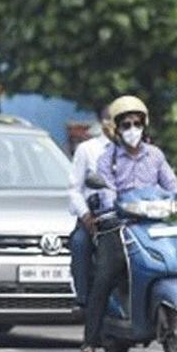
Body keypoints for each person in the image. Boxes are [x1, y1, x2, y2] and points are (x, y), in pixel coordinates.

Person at [78, 96, 177, 352]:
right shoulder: (109, 160)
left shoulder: (155, 156)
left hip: (156, 224)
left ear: (145, 125)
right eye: (127, 124)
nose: (133, 129)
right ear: (116, 129)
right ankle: (89, 343)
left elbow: (171, 183)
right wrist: (113, 205)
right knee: (105, 277)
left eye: (137, 123)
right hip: (121, 226)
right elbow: (105, 190)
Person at [68, 107, 114, 309]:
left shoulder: (136, 150)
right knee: (79, 243)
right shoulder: (87, 149)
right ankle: (84, 299)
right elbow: (74, 190)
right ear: (105, 122)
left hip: (128, 216)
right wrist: (86, 217)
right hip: (95, 218)